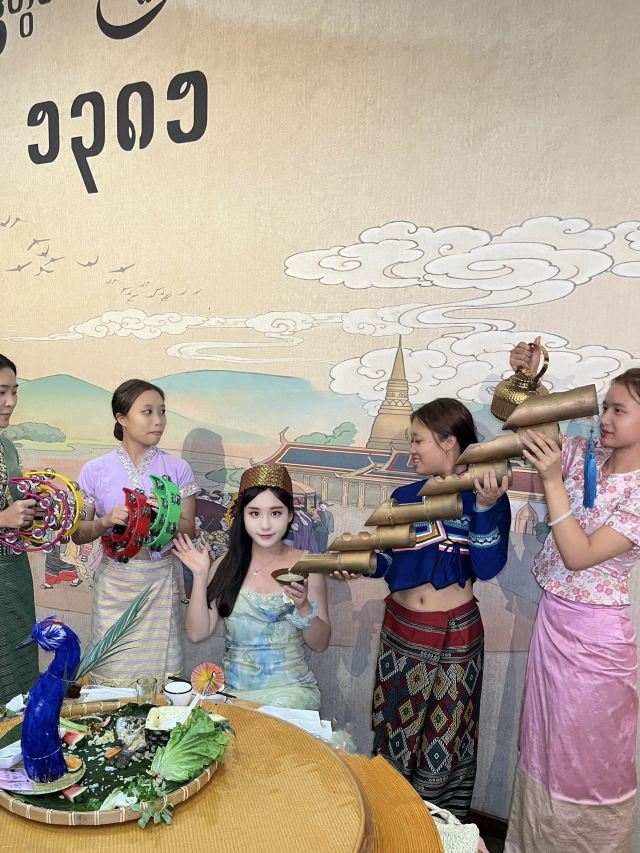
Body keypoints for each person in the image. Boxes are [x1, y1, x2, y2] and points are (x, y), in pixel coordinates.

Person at [341, 398, 511, 817]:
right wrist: (358, 565)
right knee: (393, 730)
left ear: (448, 441)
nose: (411, 450)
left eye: (418, 440)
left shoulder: (483, 495)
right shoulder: (404, 497)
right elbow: (388, 563)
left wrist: (485, 510)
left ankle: (435, 830)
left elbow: (487, 567)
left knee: (444, 738)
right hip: (401, 632)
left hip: (455, 637)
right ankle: (392, 821)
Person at [505, 341, 640, 853]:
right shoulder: (587, 455)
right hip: (554, 623)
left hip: (598, 641)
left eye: (619, 410)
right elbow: (527, 425)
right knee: (546, 746)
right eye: (605, 406)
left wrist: (551, 481)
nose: (604, 417)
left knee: (587, 760)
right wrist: (527, 380)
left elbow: (580, 555)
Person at [72, 379, 197, 686]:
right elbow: (79, 533)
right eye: (147, 412)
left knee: (159, 680)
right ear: (122, 418)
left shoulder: (177, 468)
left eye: (162, 412)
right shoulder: (95, 470)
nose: (159, 421)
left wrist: (161, 517)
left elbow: (189, 530)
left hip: (158, 582)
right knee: (110, 676)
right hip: (114, 583)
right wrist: (105, 522)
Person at [176, 463, 330, 710]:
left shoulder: (307, 566)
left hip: (291, 692)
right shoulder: (225, 565)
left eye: (275, 513)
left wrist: (303, 608)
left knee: (270, 728)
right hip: (233, 693)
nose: (265, 525)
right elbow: (197, 633)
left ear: (290, 515)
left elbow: (320, 643)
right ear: (242, 516)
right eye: (255, 513)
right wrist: (200, 575)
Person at [0, 354, 39, 703]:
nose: (10, 401)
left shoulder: (7, 447)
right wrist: (3, 518)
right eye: (1, 392)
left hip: (13, 572)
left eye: (14, 391)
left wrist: (36, 508)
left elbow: (14, 504)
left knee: (19, 663)